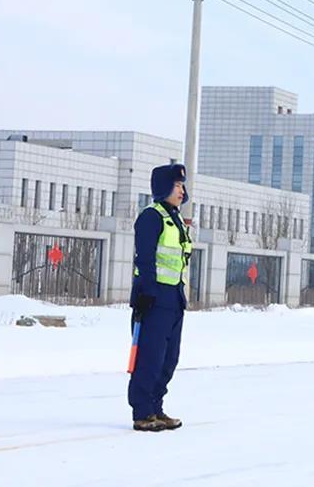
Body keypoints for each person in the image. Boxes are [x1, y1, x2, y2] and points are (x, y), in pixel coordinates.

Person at [128, 164, 192, 432]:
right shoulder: (151, 217)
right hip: (153, 298)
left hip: (174, 297)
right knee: (150, 357)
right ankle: (143, 412)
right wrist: (147, 292)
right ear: (164, 187)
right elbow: (145, 258)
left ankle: (156, 407)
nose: (182, 190)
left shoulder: (174, 218)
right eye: (177, 185)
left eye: (182, 186)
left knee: (169, 358)